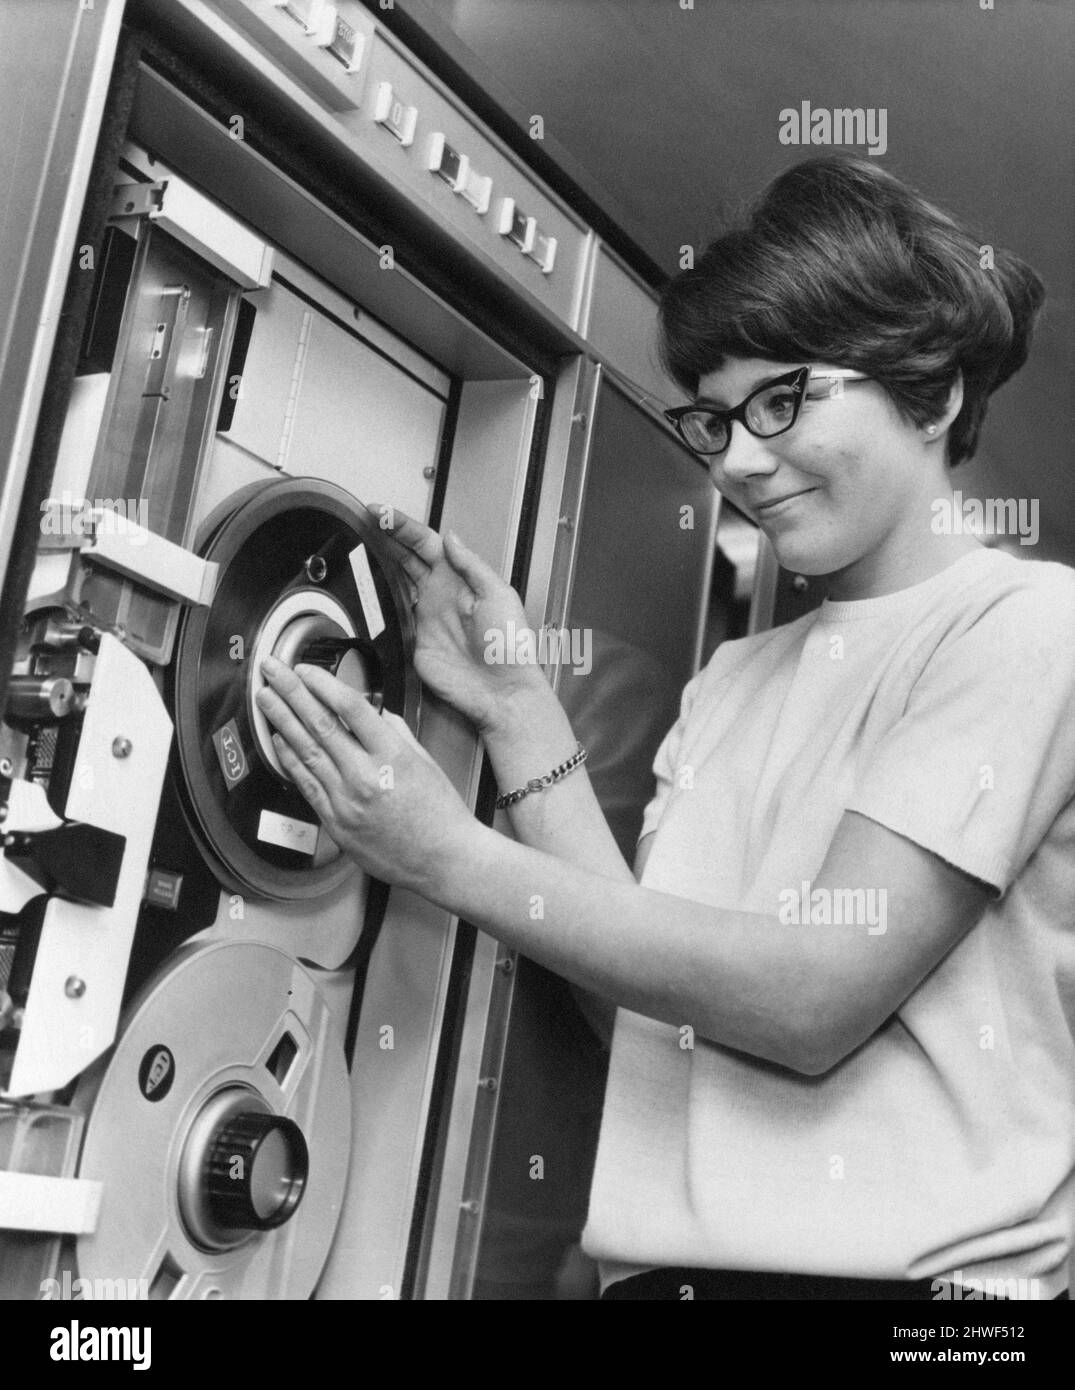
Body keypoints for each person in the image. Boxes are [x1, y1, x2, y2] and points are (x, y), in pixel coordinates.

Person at [256, 156, 1075, 1301]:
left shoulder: (1030, 627)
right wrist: (512, 703)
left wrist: (443, 852)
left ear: (931, 391)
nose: (737, 459)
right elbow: (643, 999)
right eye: (715, 419)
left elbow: (810, 1001)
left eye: (781, 400)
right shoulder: (736, 676)